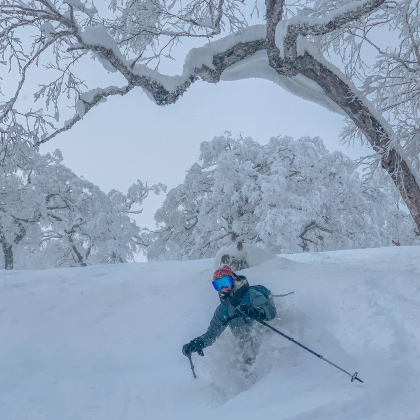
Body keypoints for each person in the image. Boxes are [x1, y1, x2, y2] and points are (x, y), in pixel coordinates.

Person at [182, 265, 276, 367]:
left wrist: (256, 312)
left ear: (233, 279)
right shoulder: (223, 309)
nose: (223, 288)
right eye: (219, 285)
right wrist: (198, 343)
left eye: (225, 283)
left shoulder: (251, 295)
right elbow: (212, 333)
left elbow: (271, 312)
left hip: (267, 348)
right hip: (246, 352)